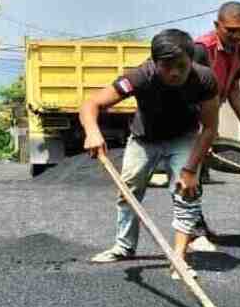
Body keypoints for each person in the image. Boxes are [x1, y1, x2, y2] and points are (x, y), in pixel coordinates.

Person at [81, 29, 219, 280]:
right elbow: (92, 104)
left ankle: (179, 260)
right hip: (144, 139)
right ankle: (124, 247)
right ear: (155, 63)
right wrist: (92, 132)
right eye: (166, 66)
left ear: (191, 61)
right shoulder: (140, 76)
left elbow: (210, 128)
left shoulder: (205, 79)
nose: (174, 73)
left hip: (183, 137)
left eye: (181, 66)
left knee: (187, 192)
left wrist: (190, 170)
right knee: (128, 190)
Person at [187, 1, 240, 249]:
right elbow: (192, 93)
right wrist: (206, 130)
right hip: (188, 115)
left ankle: (195, 224)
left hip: (208, 115)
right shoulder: (200, 49)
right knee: (189, 171)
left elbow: (234, 88)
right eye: (231, 30)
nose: (237, 36)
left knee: (197, 172)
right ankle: (193, 231)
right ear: (217, 25)